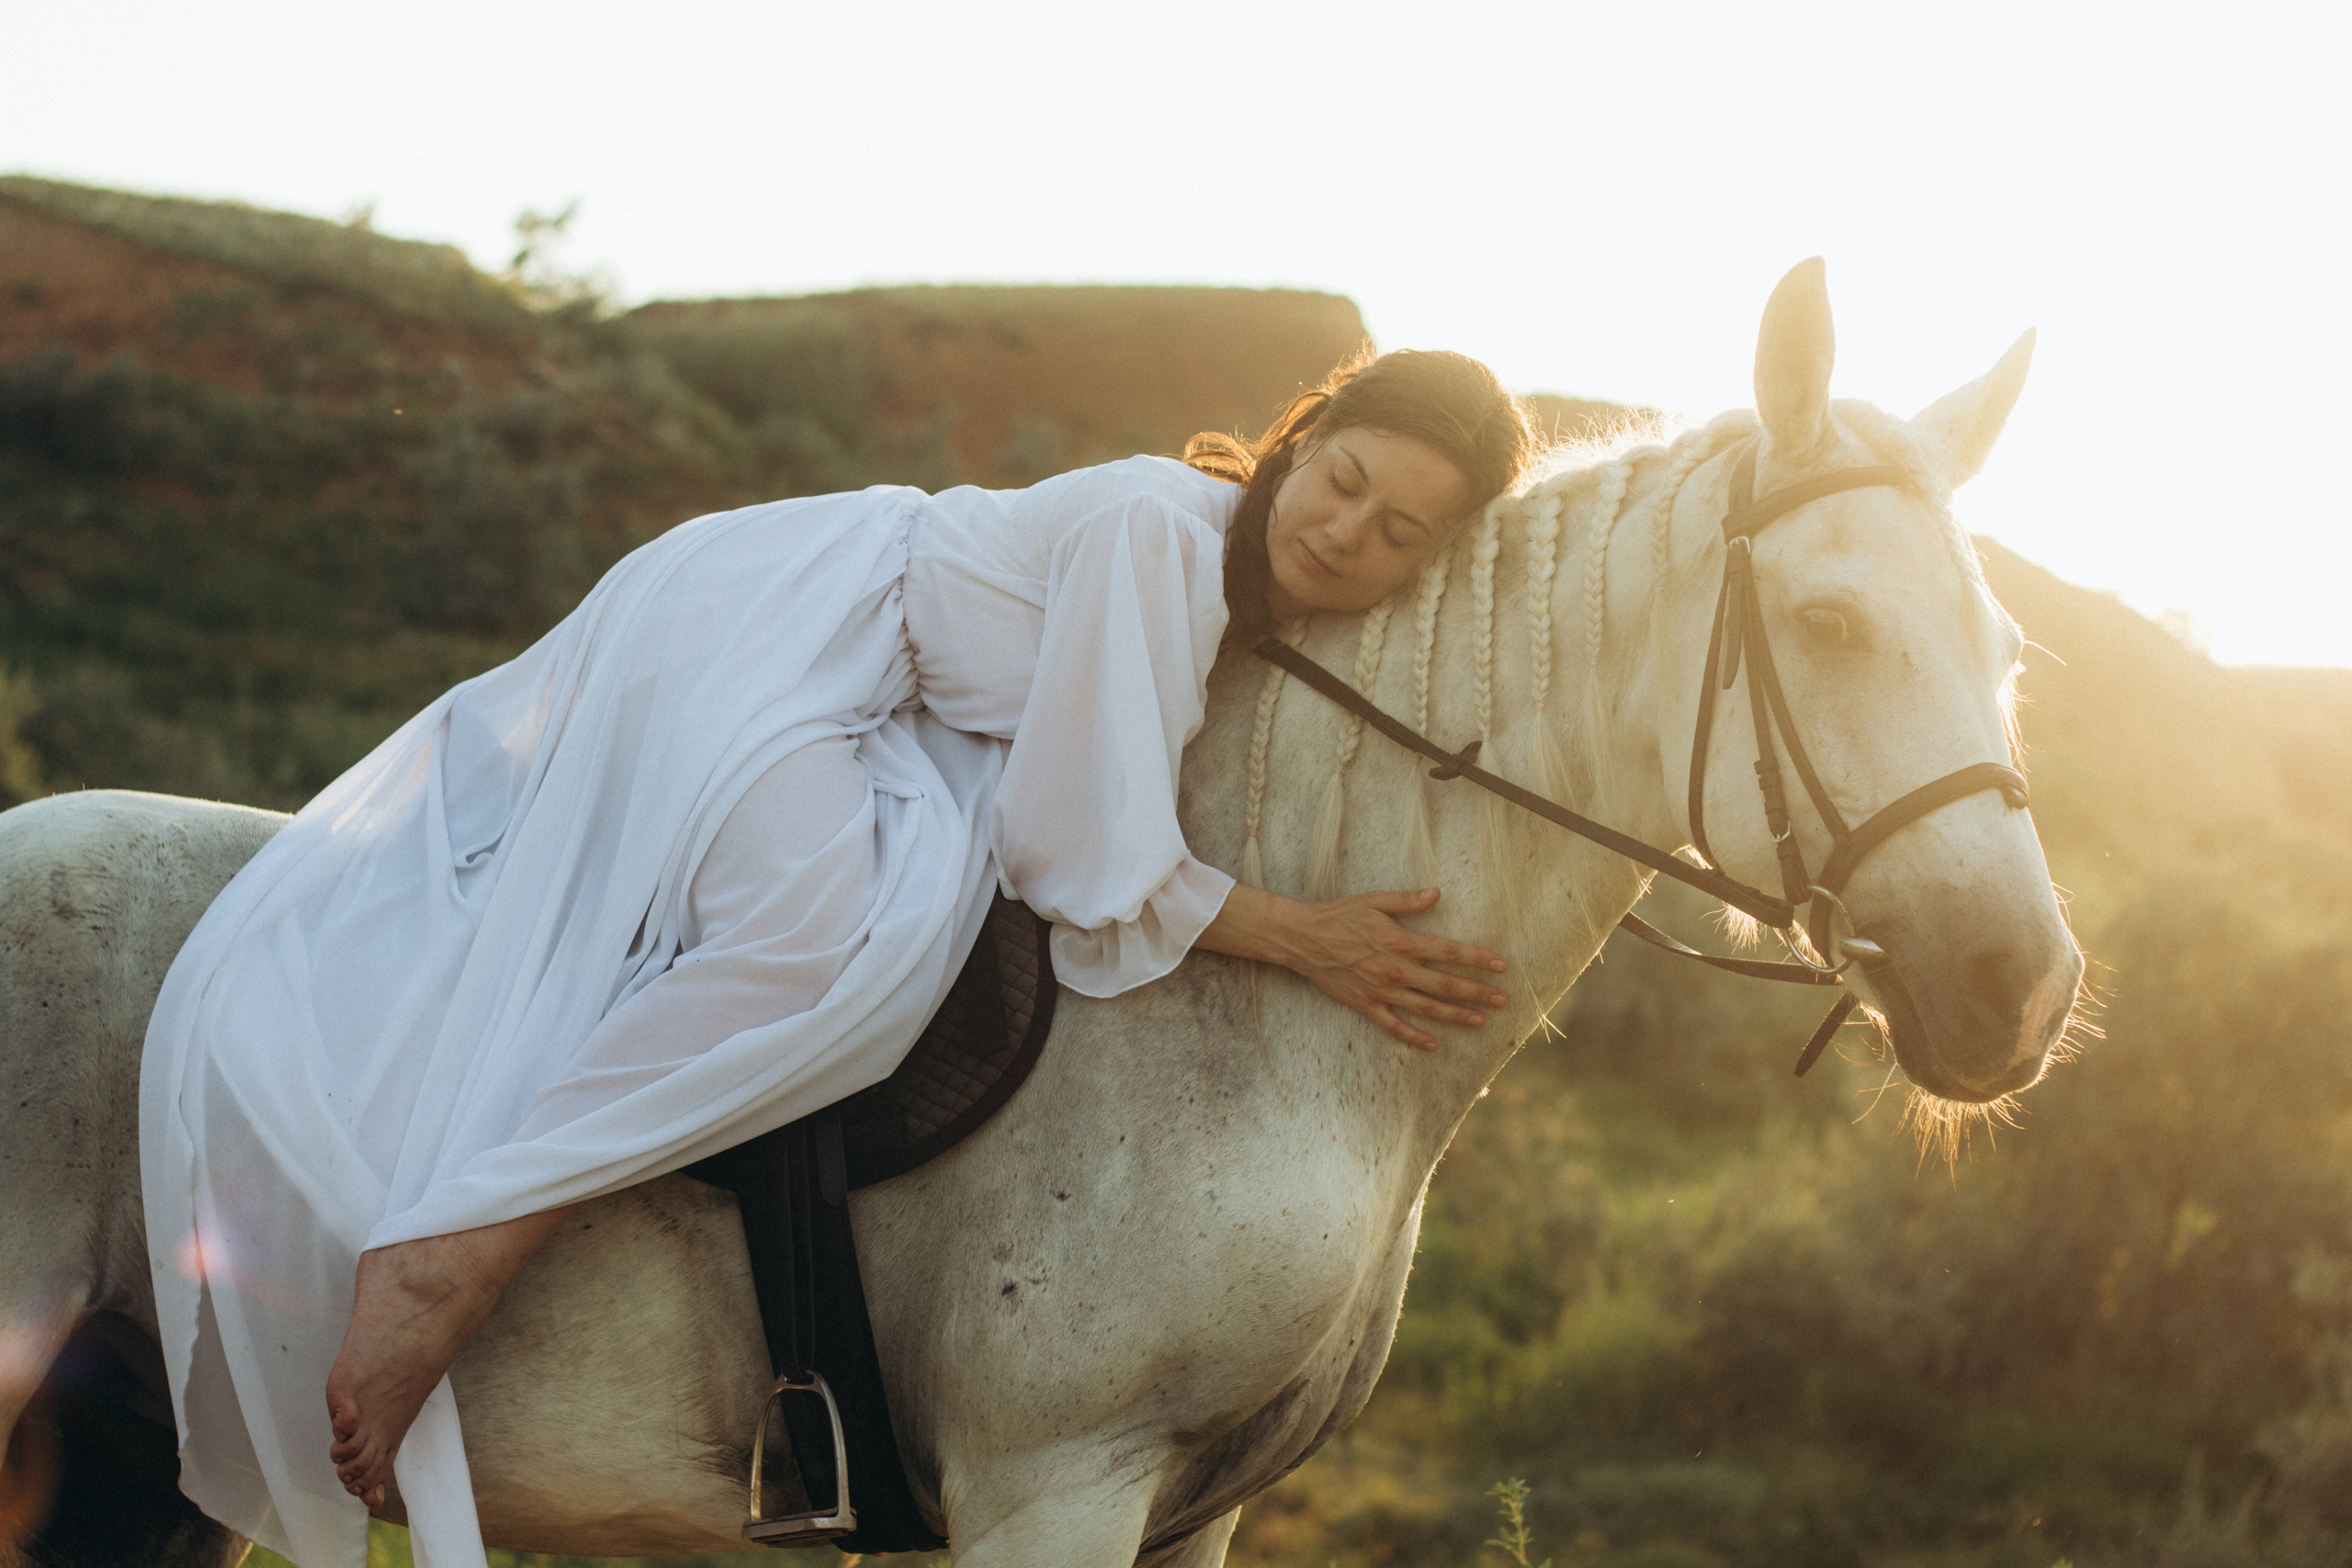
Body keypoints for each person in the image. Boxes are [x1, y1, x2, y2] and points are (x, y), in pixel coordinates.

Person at [138, 346, 1539, 1565]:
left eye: (1402, 531)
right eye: (1345, 477)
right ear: (1302, 438)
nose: (1351, 531)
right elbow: (1071, 848)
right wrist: (1309, 940)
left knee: (908, 920)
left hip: (891, 694)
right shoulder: (1162, 535)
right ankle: (448, 1252)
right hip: (793, 629)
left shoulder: (1256, 597)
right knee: (823, 953)